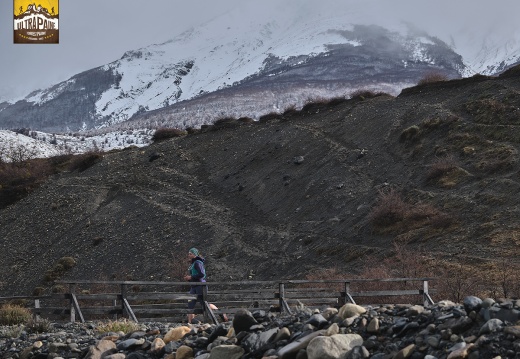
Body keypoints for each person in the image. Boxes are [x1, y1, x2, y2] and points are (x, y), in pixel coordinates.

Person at [184, 247, 206, 323]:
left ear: (194, 255)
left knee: (203, 303)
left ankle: (221, 313)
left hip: (200, 285)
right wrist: (189, 278)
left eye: (190, 254)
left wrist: (191, 277)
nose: (189, 255)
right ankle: (189, 323)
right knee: (190, 303)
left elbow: (202, 274)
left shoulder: (198, 262)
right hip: (193, 286)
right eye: (188, 254)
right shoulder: (193, 264)